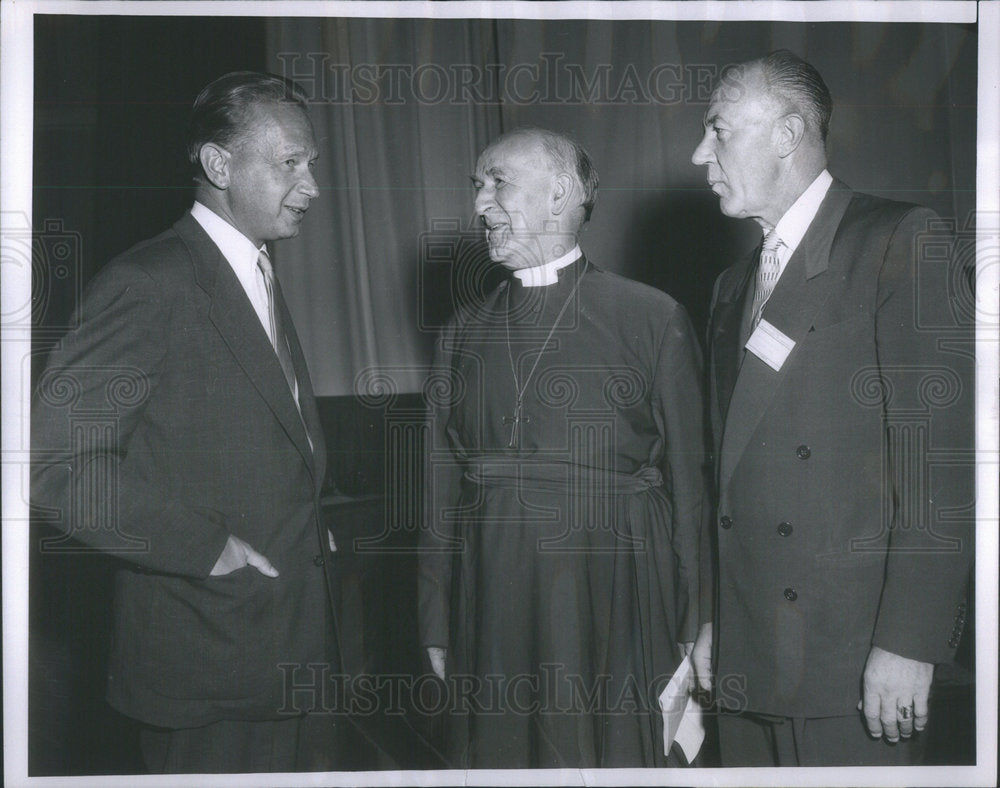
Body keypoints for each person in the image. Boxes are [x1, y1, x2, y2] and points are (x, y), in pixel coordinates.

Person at [31, 71, 339, 773]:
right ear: (218, 164)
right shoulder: (147, 283)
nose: (312, 187)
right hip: (206, 658)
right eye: (291, 163)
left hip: (287, 655)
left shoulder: (252, 269)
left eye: (311, 164)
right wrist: (208, 550)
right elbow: (53, 466)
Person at [690, 51, 974, 766]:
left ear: (787, 134)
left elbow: (940, 466)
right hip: (748, 645)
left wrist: (909, 642)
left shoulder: (899, 241)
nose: (700, 155)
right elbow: (717, 476)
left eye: (718, 130)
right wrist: (711, 619)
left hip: (851, 656)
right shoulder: (729, 285)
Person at [418, 127, 708, 768]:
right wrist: (436, 617)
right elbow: (440, 489)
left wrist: (695, 620)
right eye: (476, 186)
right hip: (491, 588)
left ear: (559, 196)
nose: (479, 205)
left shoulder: (652, 316)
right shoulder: (460, 331)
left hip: (612, 583)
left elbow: (692, 485)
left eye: (497, 183)